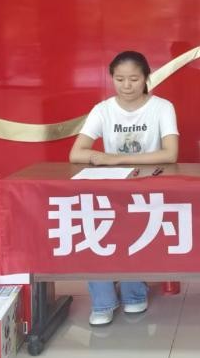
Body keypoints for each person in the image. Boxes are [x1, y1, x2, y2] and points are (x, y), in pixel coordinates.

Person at [68, 50, 179, 326]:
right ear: (112, 78)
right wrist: (103, 159)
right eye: (119, 79)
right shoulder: (103, 110)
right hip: (111, 189)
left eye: (134, 79)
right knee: (95, 227)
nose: (126, 86)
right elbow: (76, 153)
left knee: (135, 229)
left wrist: (114, 158)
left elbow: (170, 153)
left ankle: (134, 292)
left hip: (148, 189)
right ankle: (102, 302)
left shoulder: (162, 107)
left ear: (146, 78)